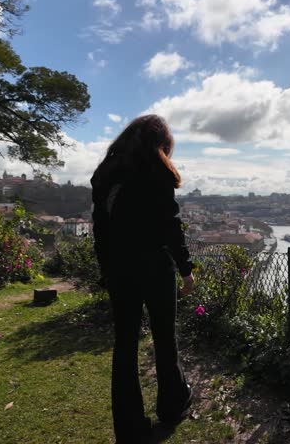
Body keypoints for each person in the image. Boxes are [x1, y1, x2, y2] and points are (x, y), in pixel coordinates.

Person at [91, 114, 195, 442]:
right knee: (165, 339)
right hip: (155, 265)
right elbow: (170, 226)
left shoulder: (105, 172)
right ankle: (172, 404)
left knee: (125, 345)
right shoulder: (155, 169)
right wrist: (186, 269)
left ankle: (130, 427)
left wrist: (106, 270)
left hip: (121, 268)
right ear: (159, 143)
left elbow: (101, 230)